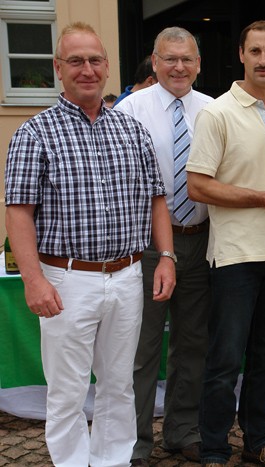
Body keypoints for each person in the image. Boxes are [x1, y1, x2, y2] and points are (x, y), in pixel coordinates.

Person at [3, 22, 175, 467]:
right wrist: (34, 280)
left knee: (119, 385)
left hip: (126, 275)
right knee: (67, 390)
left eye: (94, 60)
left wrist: (167, 258)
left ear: (106, 67)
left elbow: (158, 200)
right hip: (66, 279)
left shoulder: (131, 131)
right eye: (75, 61)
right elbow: (18, 211)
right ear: (59, 69)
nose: (87, 69)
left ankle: (113, 461)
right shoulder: (35, 133)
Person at [186, 20, 265, 467]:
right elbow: (198, 186)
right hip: (235, 256)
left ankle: (259, 442)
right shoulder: (217, 113)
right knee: (224, 361)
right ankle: (214, 449)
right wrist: (263, 199)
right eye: (255, 51)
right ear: (241, 55)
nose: (263, 60)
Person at [116, 27, 213, 465]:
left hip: (200, 241)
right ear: (154, 62)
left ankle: (182, 430)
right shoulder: (129, 110)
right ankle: (134, 443)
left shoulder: (213, 110)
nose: (178, 67)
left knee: (192, 344)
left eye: (186, 59)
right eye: (169, 59)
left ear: (198, 64)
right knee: (141, 349)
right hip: (147, 248)